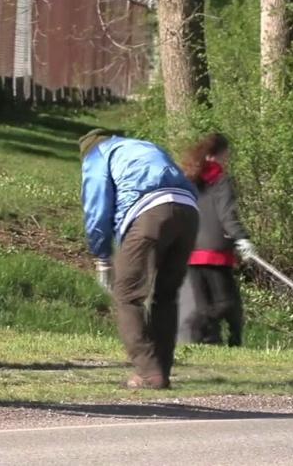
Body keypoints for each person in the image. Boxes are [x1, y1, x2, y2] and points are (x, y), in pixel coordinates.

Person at [79, 129, 199, 390]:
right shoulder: (145, 146)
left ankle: (148, 373)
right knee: (166, 297)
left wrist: (102, 256)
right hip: (189, 211)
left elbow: (97, 208)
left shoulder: (97, 155)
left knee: (127, 295)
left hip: (150, 212)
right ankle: (161, 371)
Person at [179, 133, 254, 347]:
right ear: (214, 156)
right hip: (215, 252)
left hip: (191, 252)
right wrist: (242, 238)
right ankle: (200, 329)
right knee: (227, 303)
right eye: (225, 157)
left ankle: (211, 342)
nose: (225, 161)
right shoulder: (220, 180)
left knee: (205, 304)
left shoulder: (187, 180)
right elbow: (227, 215)